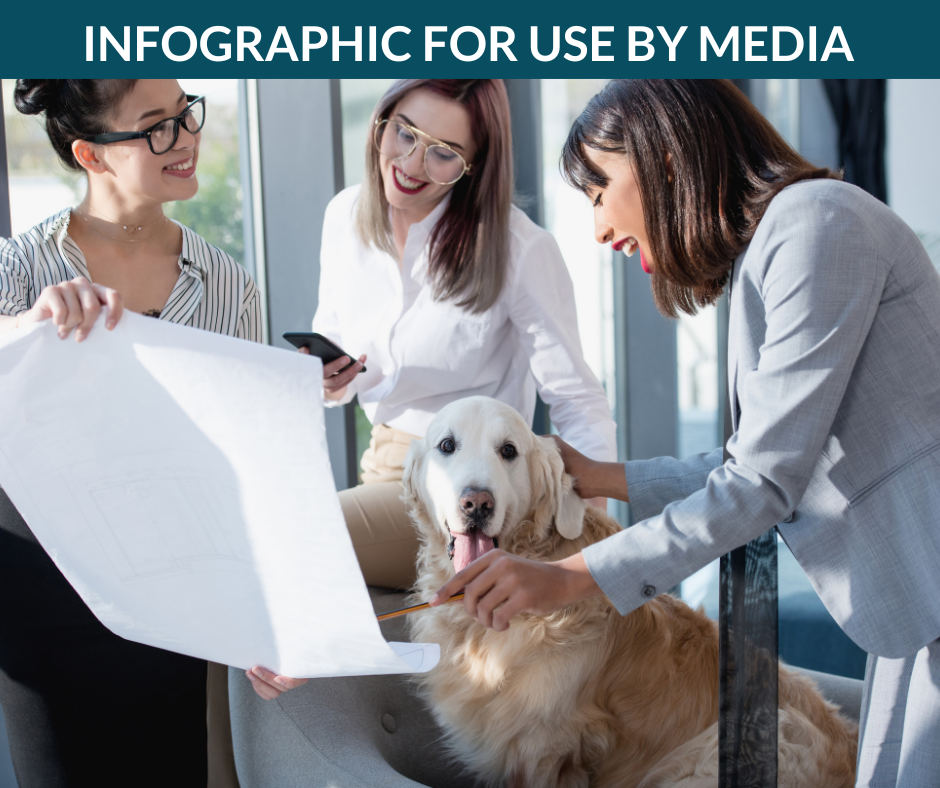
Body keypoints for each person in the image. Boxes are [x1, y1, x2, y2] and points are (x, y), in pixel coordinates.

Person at [432, 79, 940, 787]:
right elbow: (755, 463)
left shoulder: (815, 231)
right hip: (911, 605)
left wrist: (566, 580)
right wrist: (600, 475)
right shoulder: (777, 250)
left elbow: (759, 488)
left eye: (599, 190)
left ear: (666, 158)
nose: (601, 229)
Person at [0, 78, 263, 788]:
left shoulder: (226, 285)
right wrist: (25, 328)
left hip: (168, 596)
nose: (184, 138)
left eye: (185, 115)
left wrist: (257, 620)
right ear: (92, 154)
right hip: (39, 590)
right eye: (155, 128)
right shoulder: (21, 270)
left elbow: (241, 468)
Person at [307, 81, 616, 593]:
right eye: (404, 134)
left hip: (474, 482)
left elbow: (578, 403)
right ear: (381, 123)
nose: (411, 163)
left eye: (444, 153)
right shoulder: (344, 216)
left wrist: (587, 549)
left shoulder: (519, 250)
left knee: (293, 537)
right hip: (386, 468)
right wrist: (326, 378)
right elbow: (333, 361)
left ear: (475, 166)